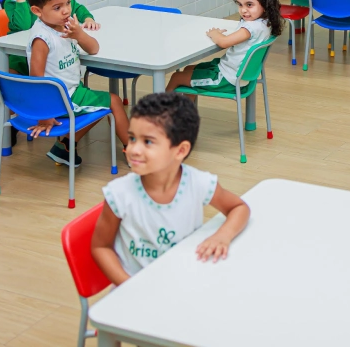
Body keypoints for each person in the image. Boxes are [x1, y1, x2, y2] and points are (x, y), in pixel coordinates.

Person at [91, 93, 250, 286]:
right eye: (132, 138)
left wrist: (223, 236)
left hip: (183, 284)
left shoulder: (198, 183)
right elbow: (100, 247)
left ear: (180, 150)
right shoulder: (119, 194)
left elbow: (239, 208)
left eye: (148, 141)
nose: (133, 149)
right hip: (135, 294)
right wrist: (130, 286)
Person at [24, 0, 129, 167]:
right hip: (61, 99)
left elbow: (94, 48)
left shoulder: (65, 25)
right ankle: (133, 150)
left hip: (73, 91)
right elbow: (36, 80)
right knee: (114, 102)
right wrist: (45, 115)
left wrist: (79, 34)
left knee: (99, 105)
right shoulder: (42, 39)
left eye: (68, 3)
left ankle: (64, 146)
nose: (66, 11)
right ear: (37, 11)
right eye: (57, 7)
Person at [166, 0, 283, 94]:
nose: (243, 10)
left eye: (249, 5)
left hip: (227, 78)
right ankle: (187, 107)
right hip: (235, 73)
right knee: (189, 69)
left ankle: (160, 107)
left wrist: (215, 34)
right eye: (240, 4)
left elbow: (224, 42)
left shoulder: (251, 28)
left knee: (176, 77)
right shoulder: (265, 22)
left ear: (265, 3)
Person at [3, 0, 99, 76]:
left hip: (50, 49)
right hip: (17, 52)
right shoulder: (12, 1)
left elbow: (77, 7)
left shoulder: (53, 0)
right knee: (15, 73)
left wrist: (88, 18)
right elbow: (24, 25)